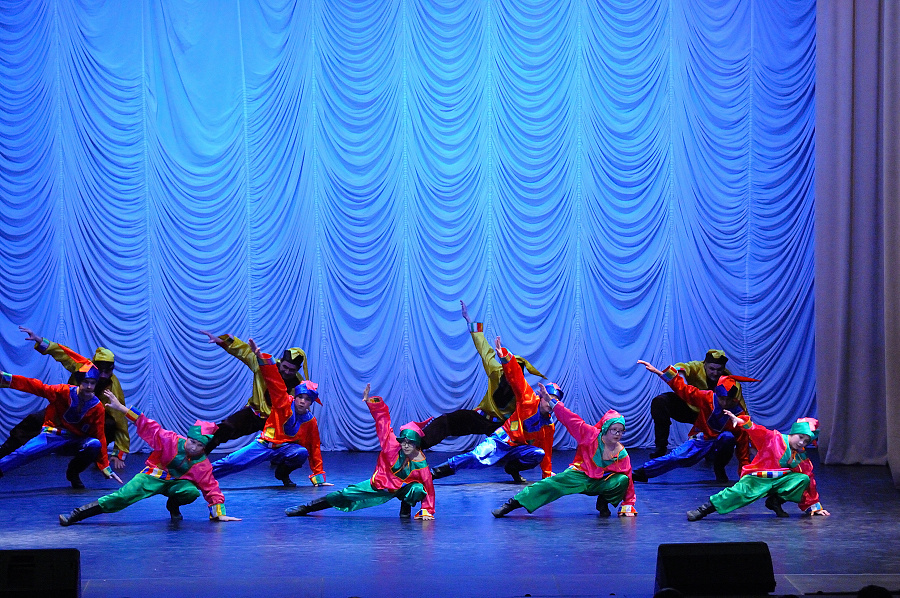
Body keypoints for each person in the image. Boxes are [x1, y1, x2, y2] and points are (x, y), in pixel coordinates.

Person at [59, 390, 241, 525]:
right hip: (153, 476)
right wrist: (121, 408)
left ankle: (173, 505)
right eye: (192, 442)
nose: (193, 447)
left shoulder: (202, 464)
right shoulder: (171, 440)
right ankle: (77, 514)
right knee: (122, 497)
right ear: (188, 437)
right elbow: (147, 425)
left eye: (199, 445)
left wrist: (219, 513)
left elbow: (211, 488)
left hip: (176, 484)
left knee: (191, 492)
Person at [285, 384, 435, 520]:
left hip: (403, 488)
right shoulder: (391, 445)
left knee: (417, 489)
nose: (406, 446)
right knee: (345, 494)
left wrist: (427, 510)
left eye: (411, 443)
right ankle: (307, 507)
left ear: (417, 445)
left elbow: (428, 487)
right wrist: (371, 402)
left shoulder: (420, 463)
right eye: (404, 442)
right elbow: (382, 420)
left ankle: (405, 510)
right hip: (381, 484)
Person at [492, 384, 637, 518]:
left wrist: (628, 503)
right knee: (550, 484)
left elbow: (628, 478)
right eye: (614, 430)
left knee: (621, 480)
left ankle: (603, 502)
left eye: (620, 431)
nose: (617, 434)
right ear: (605, 429)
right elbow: (569, 418)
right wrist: (551, 401)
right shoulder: (590, 435)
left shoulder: (621, 453)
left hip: (599, 483)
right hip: (579, 475)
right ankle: (512, 504)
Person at [0, 327, 131, 473]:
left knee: (108, 427)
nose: (103, 376)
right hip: (64, 412)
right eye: (100, 372)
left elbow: (119, 419)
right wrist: (40, 341)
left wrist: (116, 455)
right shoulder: (79, 371)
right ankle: (4, 451)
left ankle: (87, 461)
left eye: (108, 372)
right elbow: (62, 355)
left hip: (85, 423)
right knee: (33, 422)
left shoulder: (111, 389)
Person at [419, 300, 546, 450]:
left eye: (515, 373)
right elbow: (483, 347)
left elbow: (533, 409)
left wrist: (546, 401)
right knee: (447, 421)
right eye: (509, 370)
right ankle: (417, 444)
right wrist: (468, 319)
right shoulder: (496, 370)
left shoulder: (523, 390)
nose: (510, 375)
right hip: (483, 417)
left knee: (512, 448)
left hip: (505, 426)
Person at [429, 336, 555, 483]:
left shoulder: (548, 425)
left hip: (519, 448)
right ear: (542, 396)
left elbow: (547, 451)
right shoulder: (528, 399)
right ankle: (435, 472)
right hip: (502, 437)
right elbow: (516, 377)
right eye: (548, 398)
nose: (550, 403)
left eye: (554, 401)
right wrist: (505, 357)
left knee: (538, 454)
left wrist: (546, 474)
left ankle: (512, 469)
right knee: (476, 456)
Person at [211, 338, 330, 487]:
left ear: (311, 403)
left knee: (301, 453)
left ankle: (282, 473)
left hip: (285, 449)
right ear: (295, 396)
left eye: (307, 399)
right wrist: (261, 358)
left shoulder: (310, 421)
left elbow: (314, 448)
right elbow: (274, 381)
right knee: (231, 461)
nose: (302, 401)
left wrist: (318, 477)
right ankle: (198, 476)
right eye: (300, 397)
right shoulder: (284, 402)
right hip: (265, 442)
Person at [686, 410, 829, 521]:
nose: (801, 443)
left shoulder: (801, 456)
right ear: (794, 432)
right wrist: (741, 421)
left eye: (806, 441)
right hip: (759, 478)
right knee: (736, 493)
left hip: (779, 481)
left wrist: (814, 507)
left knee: (803, 479)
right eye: (801, 437)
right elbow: (757, 430)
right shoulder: (775, 438)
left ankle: (775, 501)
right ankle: (703, 510)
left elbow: (810, 482)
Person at [0, 360, 122, 488]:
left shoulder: (97, 407)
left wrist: (105, 466)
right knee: (24, 453)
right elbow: (37, 387)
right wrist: (7, 379)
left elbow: (100, 435)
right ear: (80, 382)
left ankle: (73, 472)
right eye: (86, 382)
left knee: (95, 444)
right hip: (52, 436)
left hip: (75, 441)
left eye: (92, 383)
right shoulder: (64, 391)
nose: (89, 387)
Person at [199, 332, 307, 470]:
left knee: (292, 447)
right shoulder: (265, 365)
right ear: (280, 361)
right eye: (285, 367)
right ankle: (197, 460)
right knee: (224, 429)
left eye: (291, 370)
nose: (287, 372)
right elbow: (245, 353)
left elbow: (300, 407)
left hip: (277, 421)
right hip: (255, 412)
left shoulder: (298, 383)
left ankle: (280, 466)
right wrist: (224, 341)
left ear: (298, 369)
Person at [633, 360, 755, 482]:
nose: (725, 403)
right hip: (702, 439)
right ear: (717, 395)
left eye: (728, 400)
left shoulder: (739, 415)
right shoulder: (708, 398)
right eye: (722, 399)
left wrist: (745, 478)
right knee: (676, 457)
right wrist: (657, 372)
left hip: (719, 444)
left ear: (733, 399)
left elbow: (743, 448)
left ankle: (719, 468)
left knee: (728, 437)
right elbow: (683, 389)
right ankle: (644, 472)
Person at [649, 350, 746, 458]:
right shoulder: (697, 367)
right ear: (705, 365)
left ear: (723, 368)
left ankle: (711, 450)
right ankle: (660, 447)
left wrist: (750, 441)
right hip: (688, 407)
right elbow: (679, 367)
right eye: (712, 369)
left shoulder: (731, 382)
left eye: (719, 370)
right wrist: (682, 379)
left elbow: (743, 413)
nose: (715, 373)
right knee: (660, 402)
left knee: (714, 451)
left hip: (710, 416)